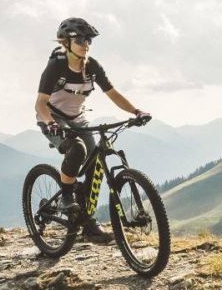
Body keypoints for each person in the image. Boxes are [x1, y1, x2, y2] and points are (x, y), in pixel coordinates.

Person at [34, 17, 150, 242]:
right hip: (53, 118)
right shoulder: (56, 65)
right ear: (65, 42)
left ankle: (87, 223)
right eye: (79, 39)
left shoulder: (92, 67)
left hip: (79, 118)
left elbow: (113, 94)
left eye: (88, 39)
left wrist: (136, 112)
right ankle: (67, 197)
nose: (85, 43)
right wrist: (51, 124)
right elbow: (40, 103)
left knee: (93, 162)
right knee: (76, 149)